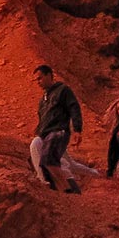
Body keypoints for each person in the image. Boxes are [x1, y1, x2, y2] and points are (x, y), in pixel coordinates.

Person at [29, 65, 84, 193]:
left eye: (40, 78)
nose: (38, 82)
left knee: (49, 159)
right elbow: (44, 119)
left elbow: (74, 108)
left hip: (58, 131)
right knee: (36, 149)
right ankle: (48, 184)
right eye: (36, 80)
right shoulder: (43, 99)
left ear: (49, 75)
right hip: (45, 134)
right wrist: (39, 130)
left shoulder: (63, 90)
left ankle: (68, 191)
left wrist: (77, 130)